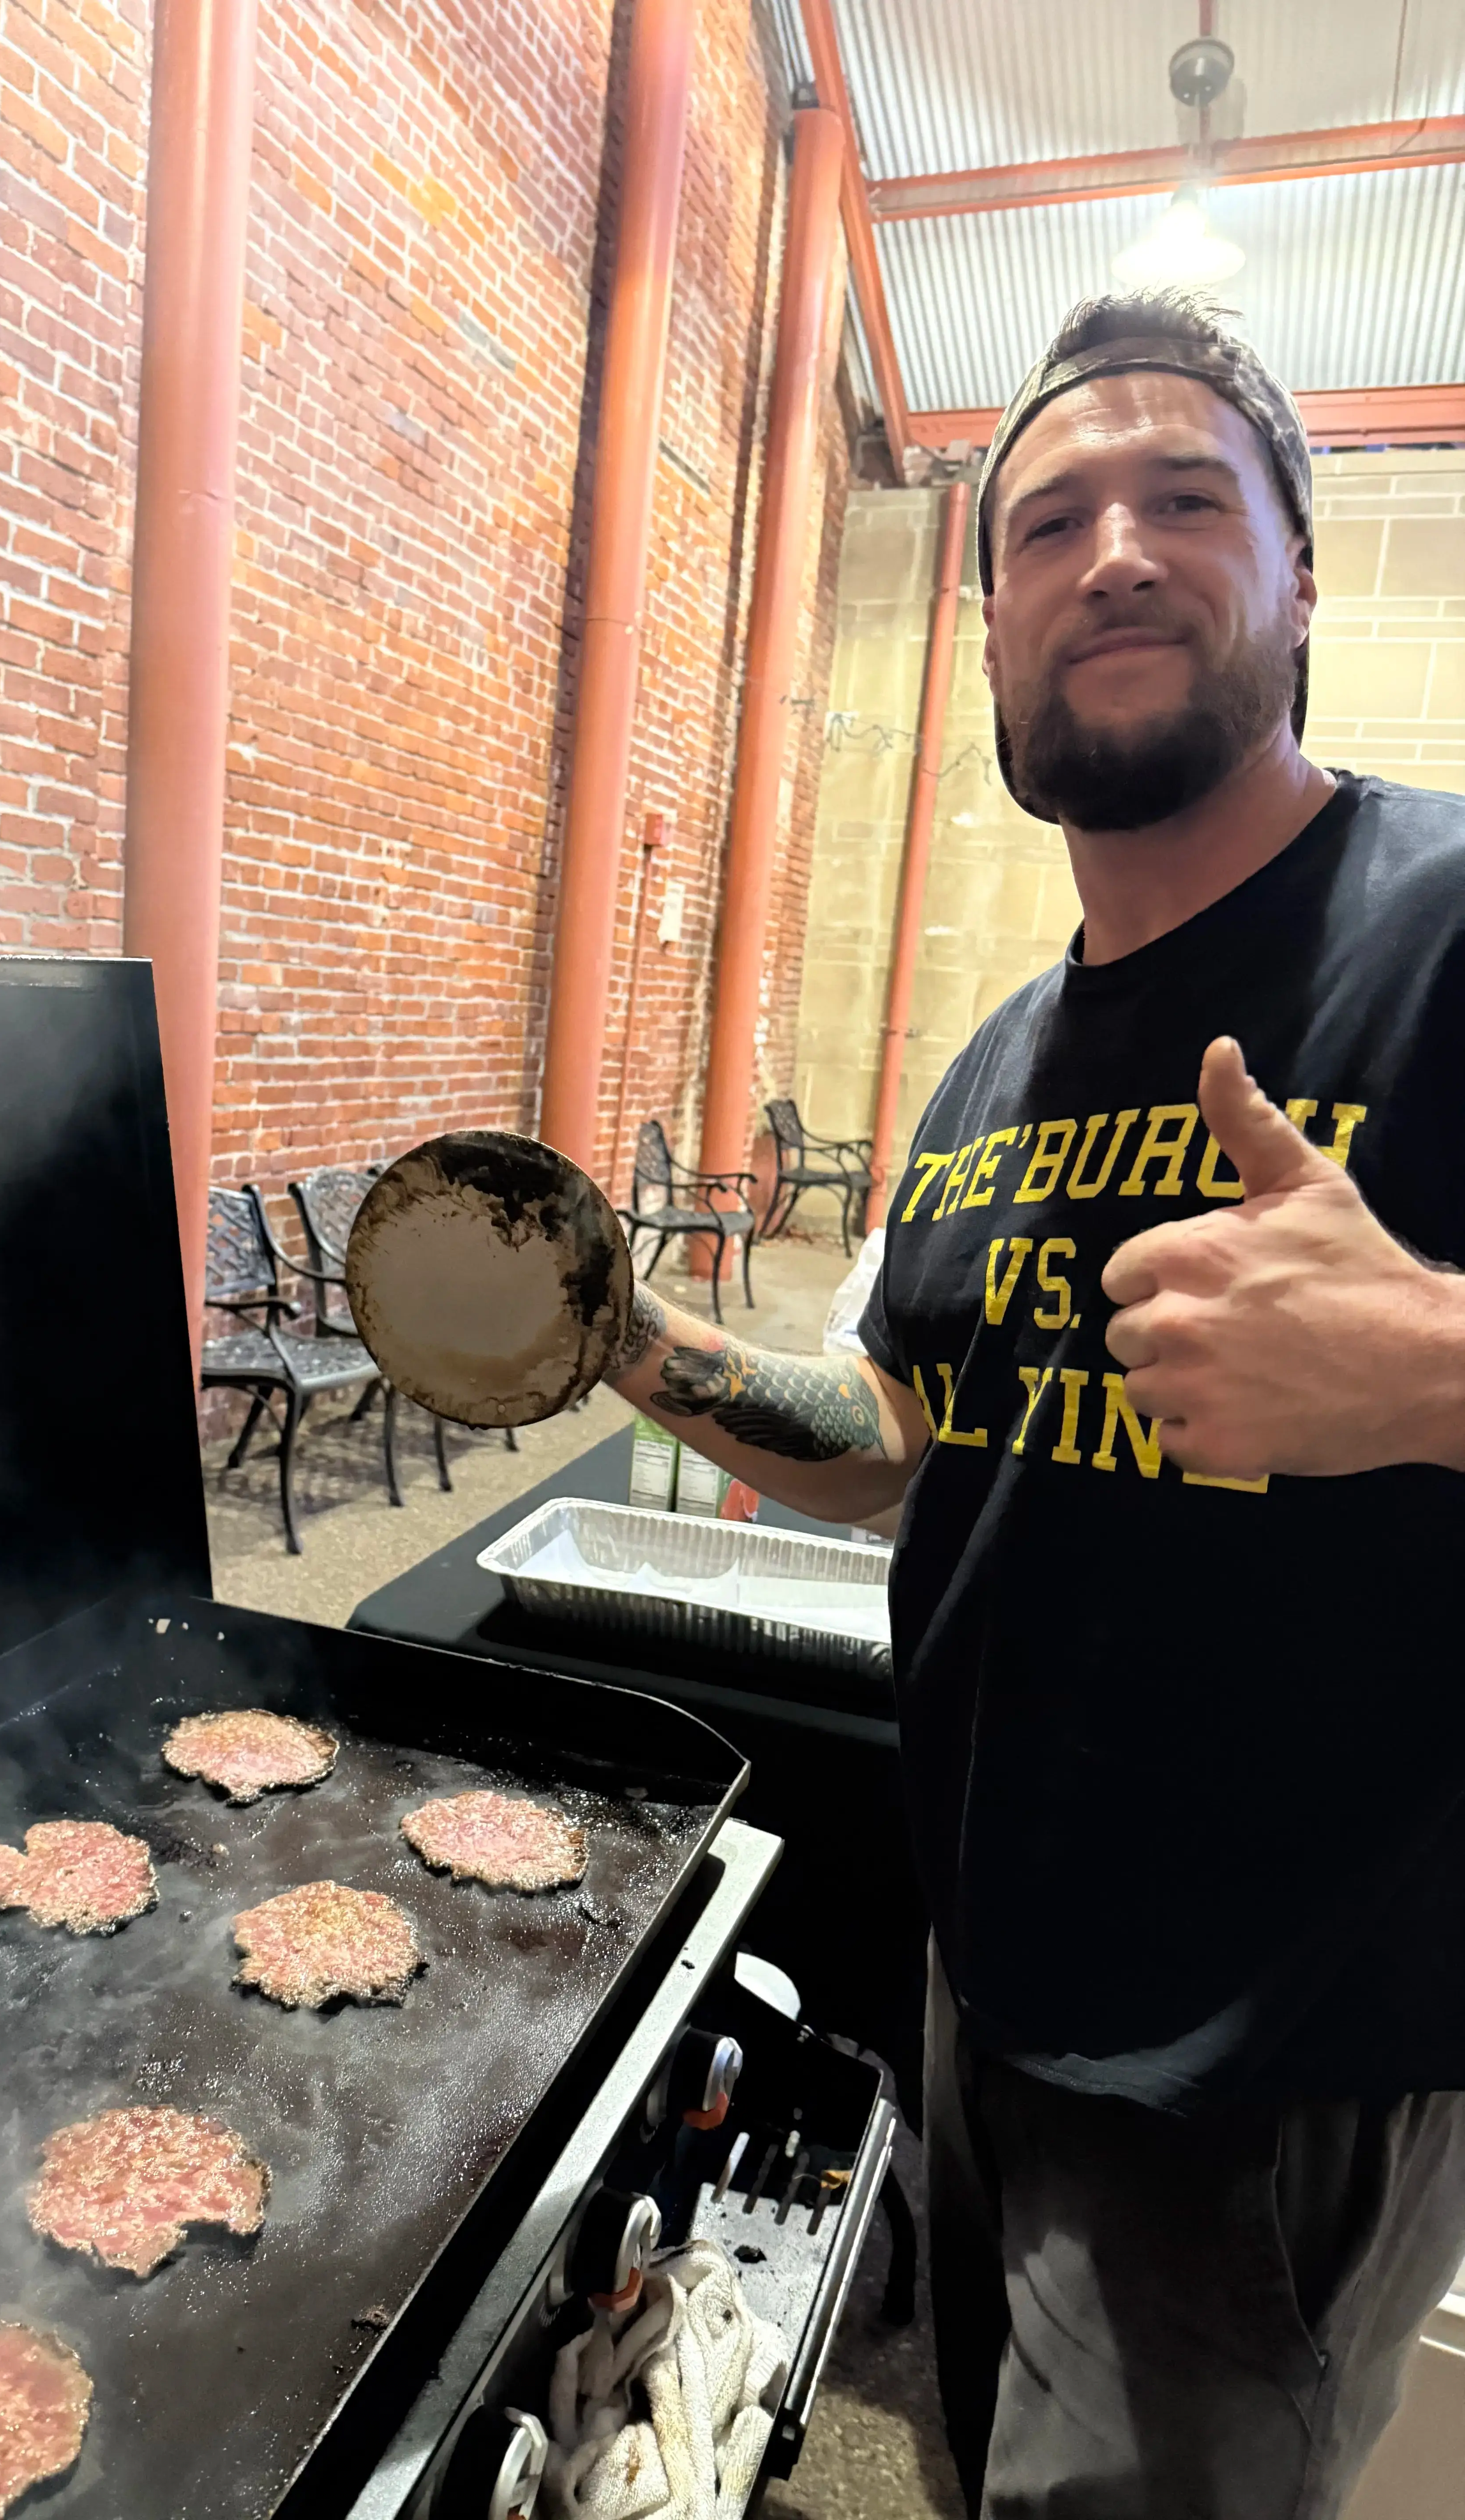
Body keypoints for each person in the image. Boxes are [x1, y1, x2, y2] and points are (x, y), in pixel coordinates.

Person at [605, 289, 1465, 2520]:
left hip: (1272, 2067)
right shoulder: (999, 1067)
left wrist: (1433, 1362)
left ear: (1300, 576)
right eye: (1049, 523)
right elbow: (908, 1442)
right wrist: (621, 1336)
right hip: (989, 1988)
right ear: (988, 625)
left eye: (1189, 500)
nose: (1116, 554)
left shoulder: (1448, 928)